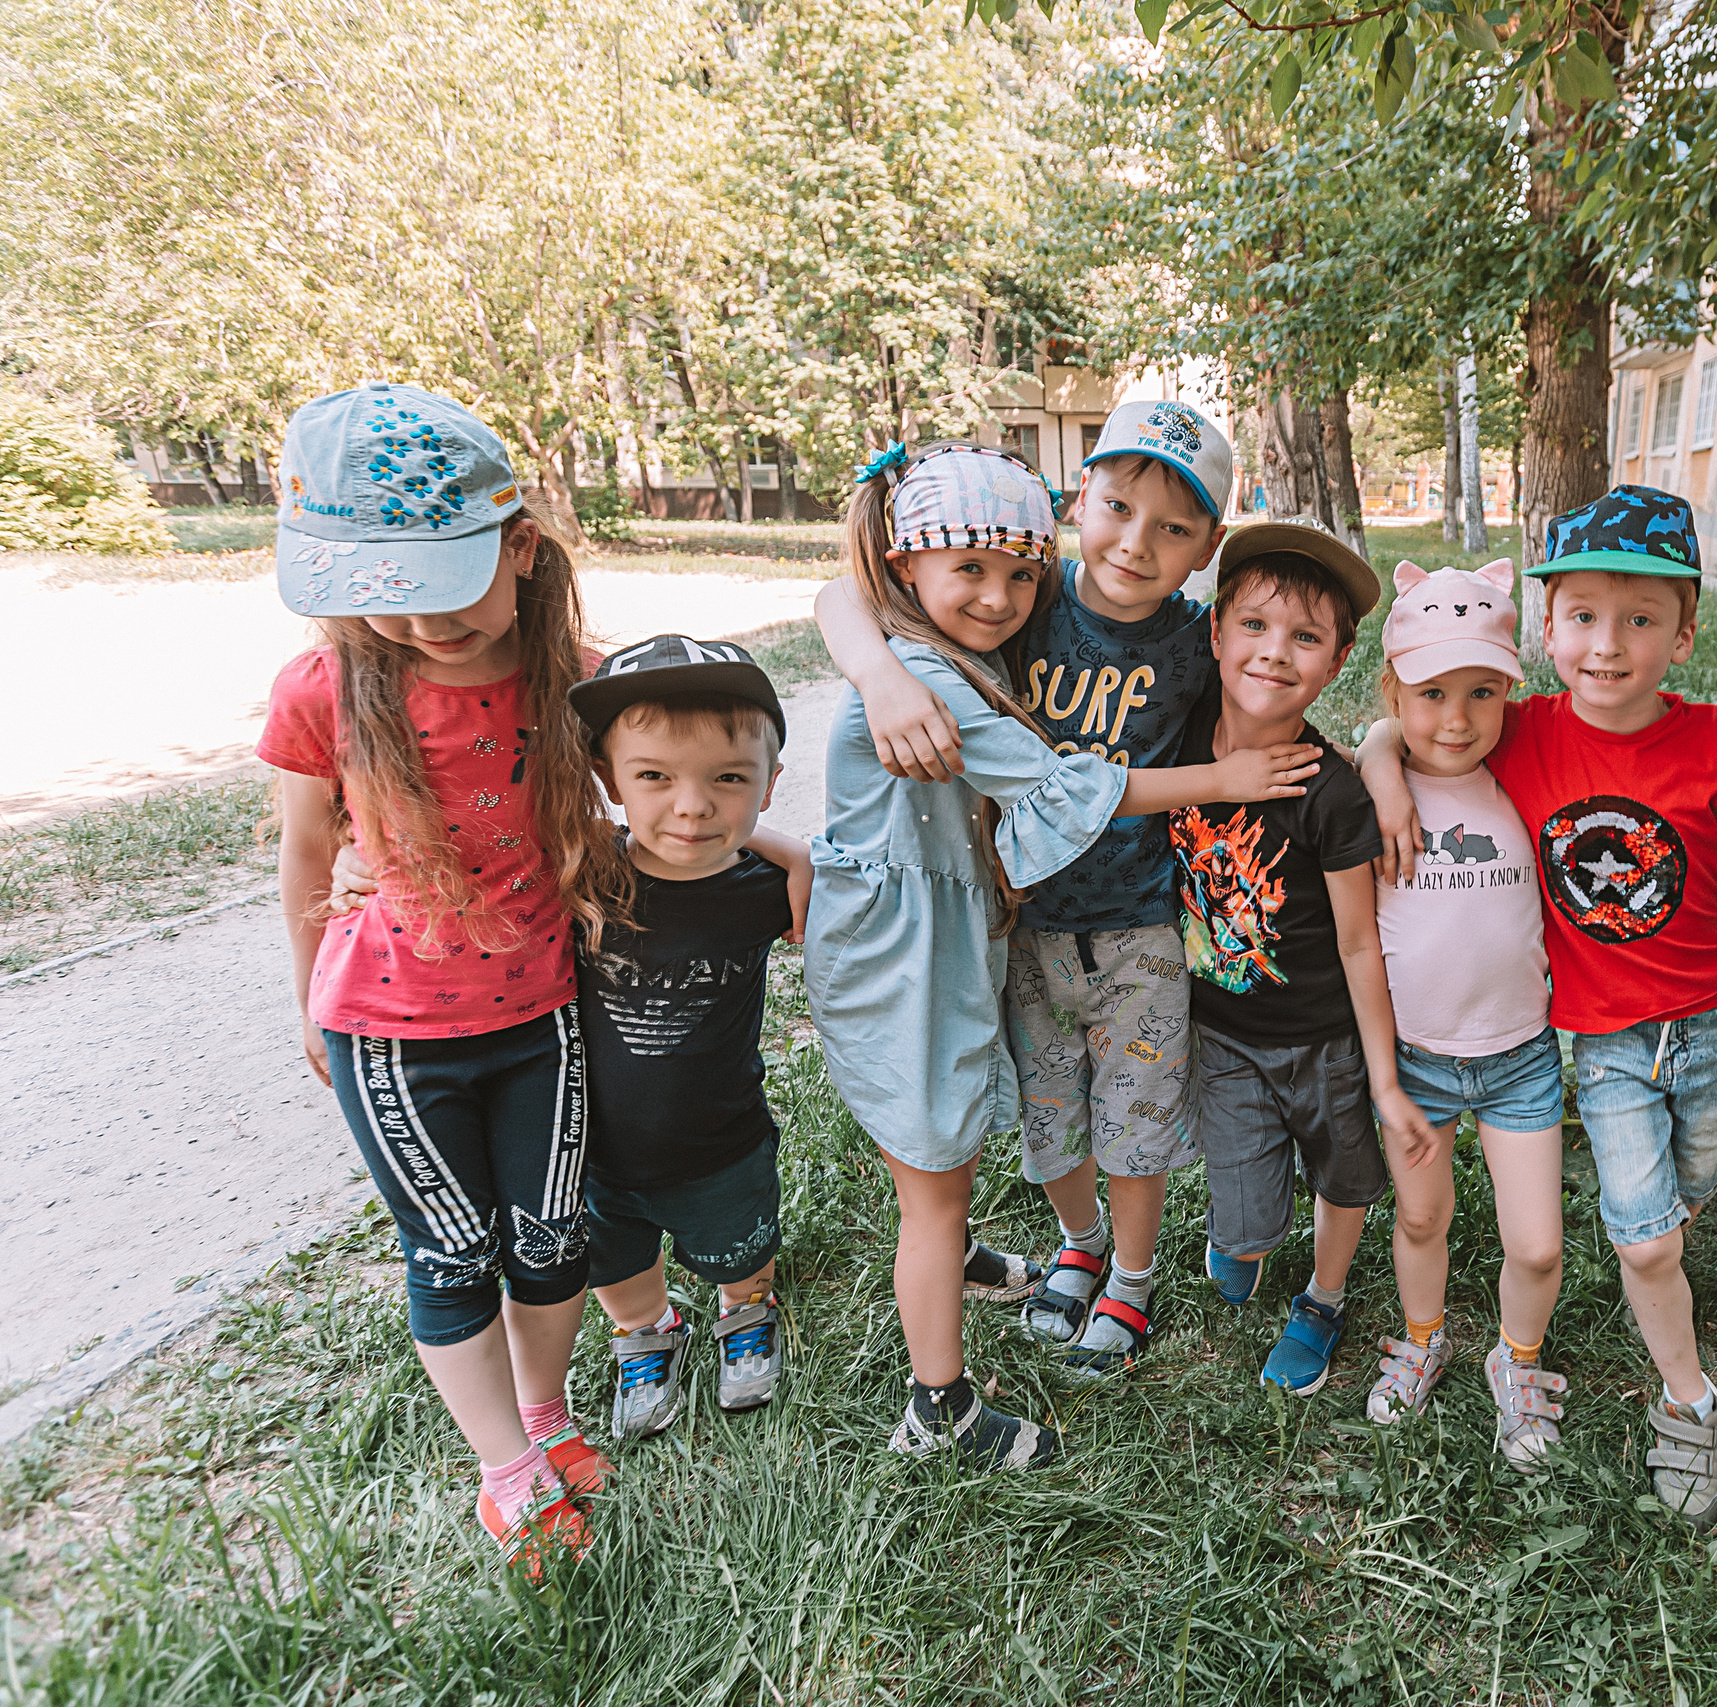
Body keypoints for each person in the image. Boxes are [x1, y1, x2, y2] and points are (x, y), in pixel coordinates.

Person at [802, 442, 1320, 1465]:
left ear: (1204, 548)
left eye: (1015, 573)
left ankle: (1124, 1276)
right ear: (1079, 505)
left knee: (1130, 1119)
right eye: (1116, 510)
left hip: (1121, 927)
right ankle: (1049, 1271)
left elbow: (1272, 668)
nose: (997, 596)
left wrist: (1371, 751)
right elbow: (844, 593)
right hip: (990, 931)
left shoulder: (1146, 633)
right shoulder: (990, 629)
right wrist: (1226, 778)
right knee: (1030, 1120)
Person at [1360, 487, 1717, 1525]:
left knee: (1645, 1207)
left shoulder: (1676, 735)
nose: (1606, 644)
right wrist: (1378, 768)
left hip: (1649, 1030)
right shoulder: (1510, 732)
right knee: (1597, 1234)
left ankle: (1583, 1307)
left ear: (1684, 633)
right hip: (1560, 1040)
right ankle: (1657, 1390)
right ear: (1547, 629)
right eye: (1582, 616)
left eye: (1639, 619)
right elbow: (1405, 717)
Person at [262, 382, 622, 1572]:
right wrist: (309, 995)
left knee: (553, 1235)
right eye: (383, 594)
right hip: (391, 1028)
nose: (415, 622)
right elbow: (307, 849)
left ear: (519, 545)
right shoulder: (327, 691)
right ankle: (503, 1468)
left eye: (438, 583)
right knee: (454, 1253)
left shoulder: (573, 671)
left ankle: (544, 1414)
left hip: (544, 1013)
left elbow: (665, 789)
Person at [1174, 520, 1435, 1395]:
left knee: (1345, 1176)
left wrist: (1385, 1078)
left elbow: (1361, 940)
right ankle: (1244, 1238)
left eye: (1306, 637)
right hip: (1224, 1034)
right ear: (1214, 633)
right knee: (1244, 1229)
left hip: (1322, 1037)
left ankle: (1324, 1298)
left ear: (1338, 658)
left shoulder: (1332, 791)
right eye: (1253, 626)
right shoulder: (1175, 746)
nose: (1275, 653)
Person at [564, 636, 811, 1435]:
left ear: (770, 784)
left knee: (739, 1248)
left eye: (728, 778)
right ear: (611, 781)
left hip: (723, 1139)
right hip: (597, 1146)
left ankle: (745, 1314)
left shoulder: (766, 890)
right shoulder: (581, 873)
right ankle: (645, 1332)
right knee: (620, 1262)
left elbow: (850, 873)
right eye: (655, 778)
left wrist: (791, 853)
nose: (693, 806)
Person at [1359, 559, 1571, 1462]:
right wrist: (1377, 759)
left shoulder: (1525, 768)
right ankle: (1425, 1332)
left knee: (1536, 1244)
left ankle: (1516, 1359)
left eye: (1482, 692)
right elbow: (1372, 738)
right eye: (1431, 692)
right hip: (1417, 1059)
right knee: (1420, 1219)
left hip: (1520, 1053)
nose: (1456, 719)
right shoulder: (1368, 795)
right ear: (1393, 691)